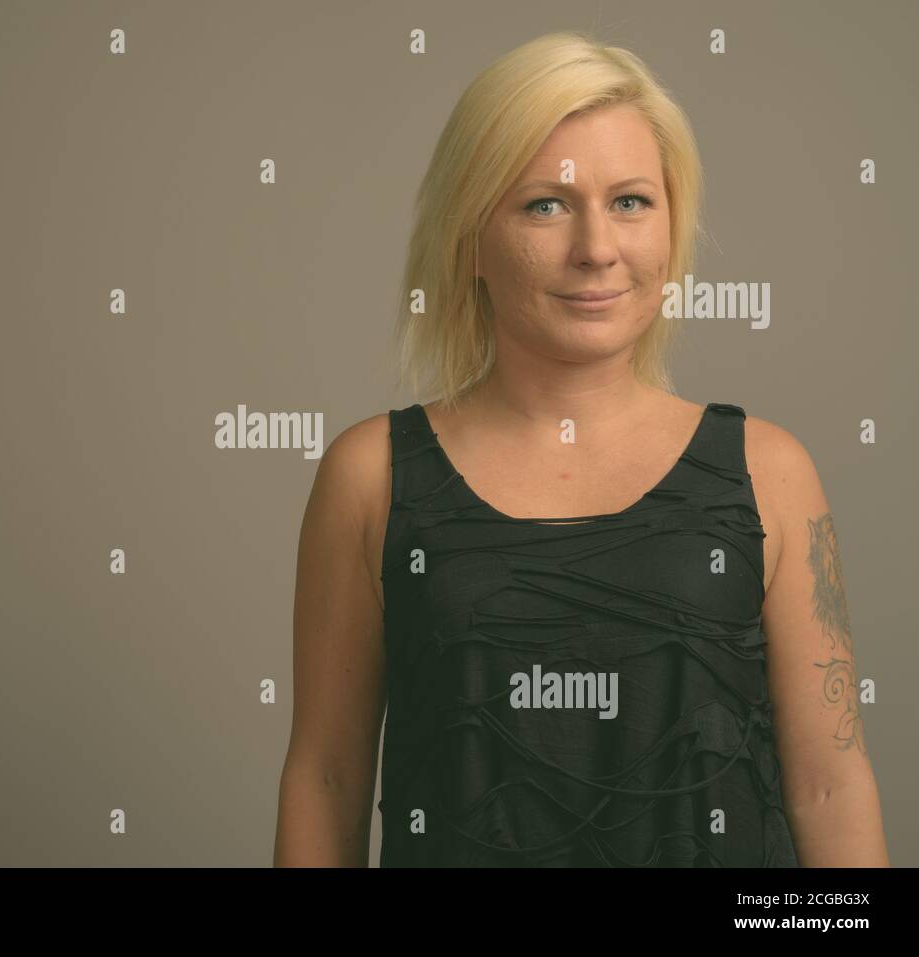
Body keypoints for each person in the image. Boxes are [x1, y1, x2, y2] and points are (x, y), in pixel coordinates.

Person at [273, 31, 888, 867]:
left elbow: (830, 784)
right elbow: (328, 779)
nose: (597, 248)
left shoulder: (769, 472)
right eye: (546, 204)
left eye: (631, 201)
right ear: (470, 236)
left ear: (672, 227)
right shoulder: (372, 476)